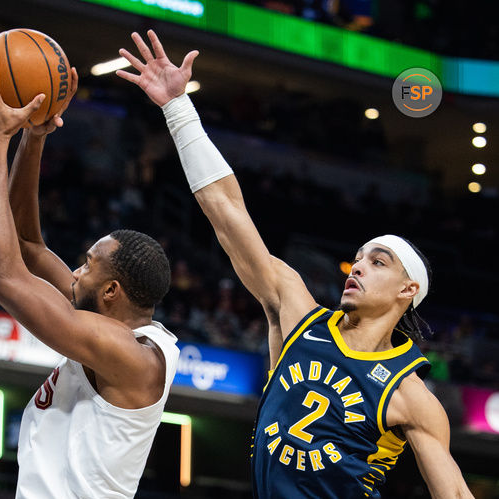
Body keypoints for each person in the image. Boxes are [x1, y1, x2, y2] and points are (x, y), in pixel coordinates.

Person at [117, 30, 473, 498]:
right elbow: (227, 211)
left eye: (378, 262)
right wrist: (178, 109)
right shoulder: (297, 315)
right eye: (358, 259)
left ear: (408, 291)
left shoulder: (411, 395)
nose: (358, 268)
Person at [0, 53, 179, 498]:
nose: (74, 273)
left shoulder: (130, 356)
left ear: (111, 291)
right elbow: (27, 244)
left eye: (86, 265)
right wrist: (34, 136)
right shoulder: (108, 322)